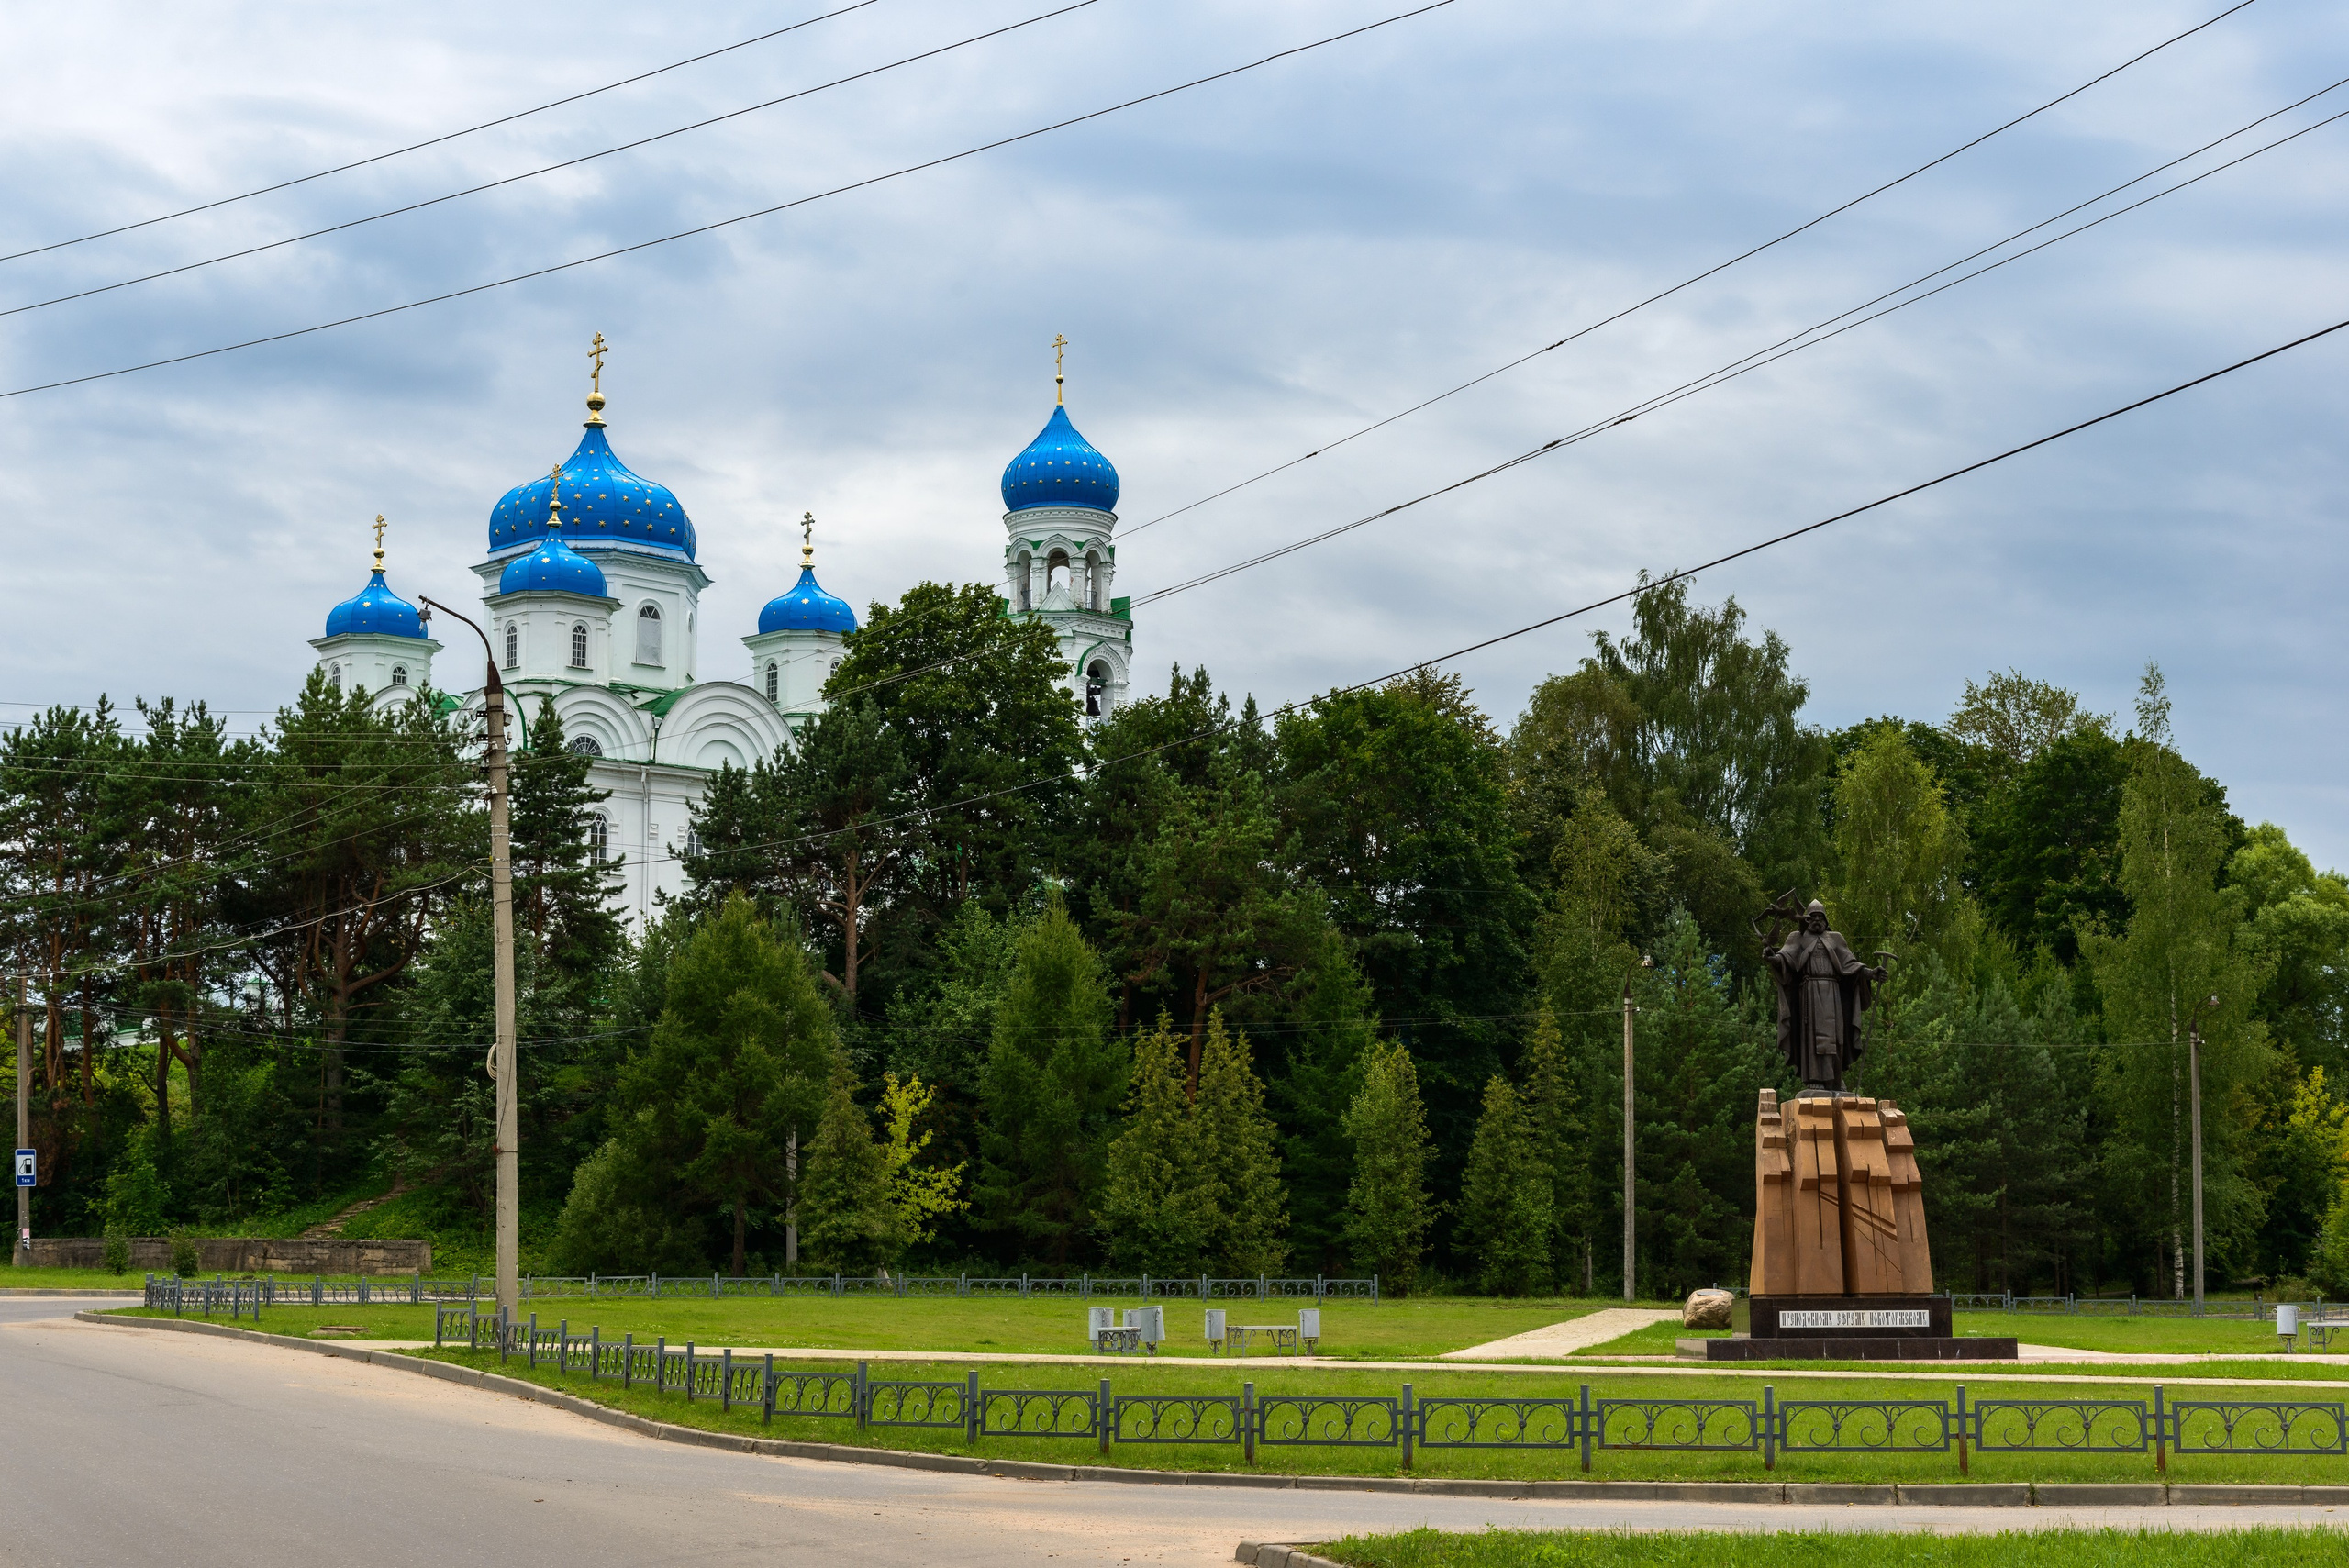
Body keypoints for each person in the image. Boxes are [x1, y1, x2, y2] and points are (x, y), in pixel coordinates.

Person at [1764, 901, 1885, 1091]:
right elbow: (1785, 958)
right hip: (1810, 993)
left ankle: (1835, 1078)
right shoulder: (1797, 938)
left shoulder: (1836, 938)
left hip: (1833, 993)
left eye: (1821, 917)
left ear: (1826, 920)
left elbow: (1851, 965)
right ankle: (1815, 1078)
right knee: (1813, 1036)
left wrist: (1871, 973)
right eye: (1813, 917)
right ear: (1807, 919)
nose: (1817, 920)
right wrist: (1773, 958)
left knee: (1836, 1035)